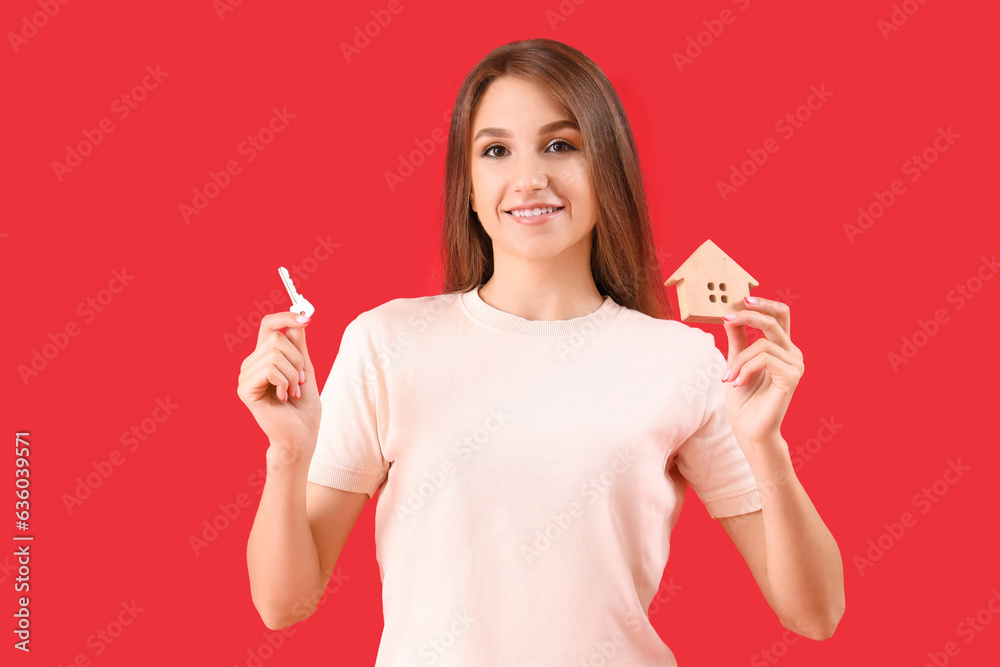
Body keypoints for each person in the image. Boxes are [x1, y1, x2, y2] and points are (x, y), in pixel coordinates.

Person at [239, 37, 844, 665]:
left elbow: (816, 613)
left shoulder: (684, 361)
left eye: (561, 145)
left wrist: (766, 444)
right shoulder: (388, 342)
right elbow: (284, 603)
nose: (529, 178)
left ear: (606, 169)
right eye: (496, 150)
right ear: (468, 188)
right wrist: (288, 453)